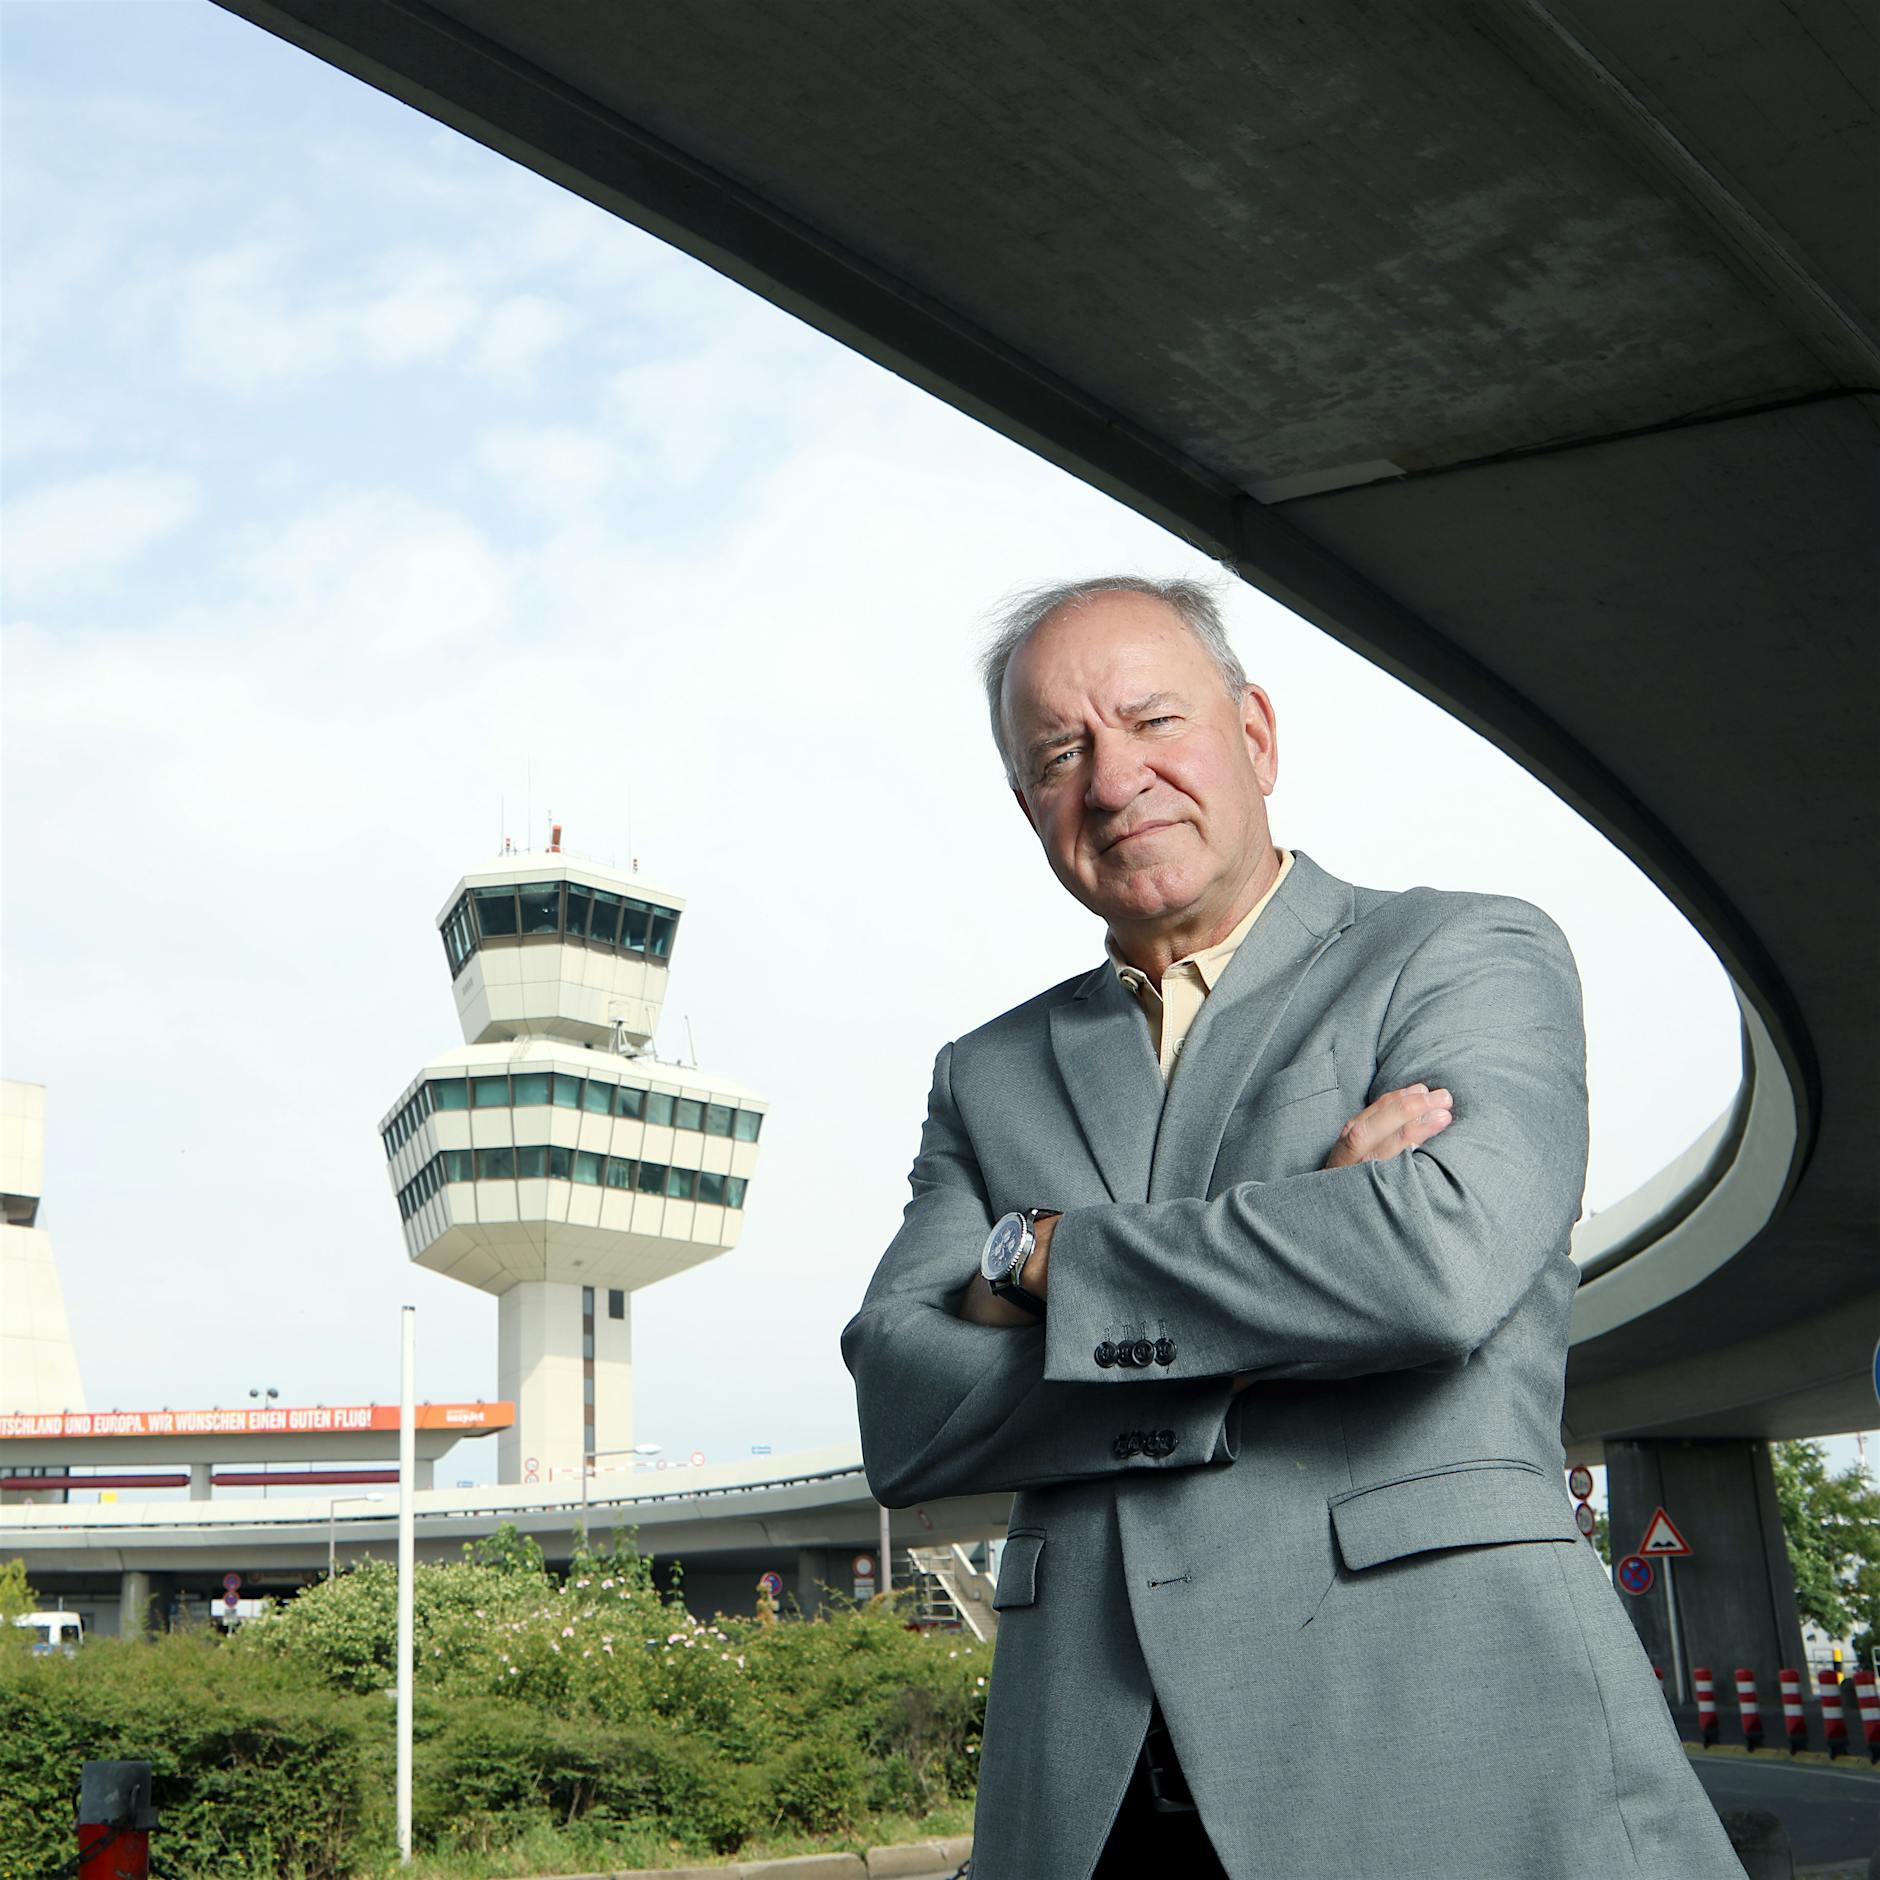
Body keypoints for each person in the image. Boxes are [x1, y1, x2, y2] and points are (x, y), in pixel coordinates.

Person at [841, 576, 1741, 1878]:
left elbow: (1434, 1267)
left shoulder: (1457, 955)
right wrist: (1303, 1253)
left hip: (1440, 1760)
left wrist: (1040, 1261)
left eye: (1154, 721)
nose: (1114, 779)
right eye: (1060, 755)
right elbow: (903, 1412)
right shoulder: (987, 1072)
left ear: (1254, 735)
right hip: (1089, 1807)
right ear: (1029, 804)